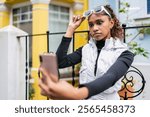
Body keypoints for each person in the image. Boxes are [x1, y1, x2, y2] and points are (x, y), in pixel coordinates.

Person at [38, 5, 134, 100]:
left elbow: (110, 77)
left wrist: (77, 93)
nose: (94, 28)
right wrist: (71, 28)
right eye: (91, 24)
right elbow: (60, 62)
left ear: (111, 23)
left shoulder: (124, 53)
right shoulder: (85, 49)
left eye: (99, 22)